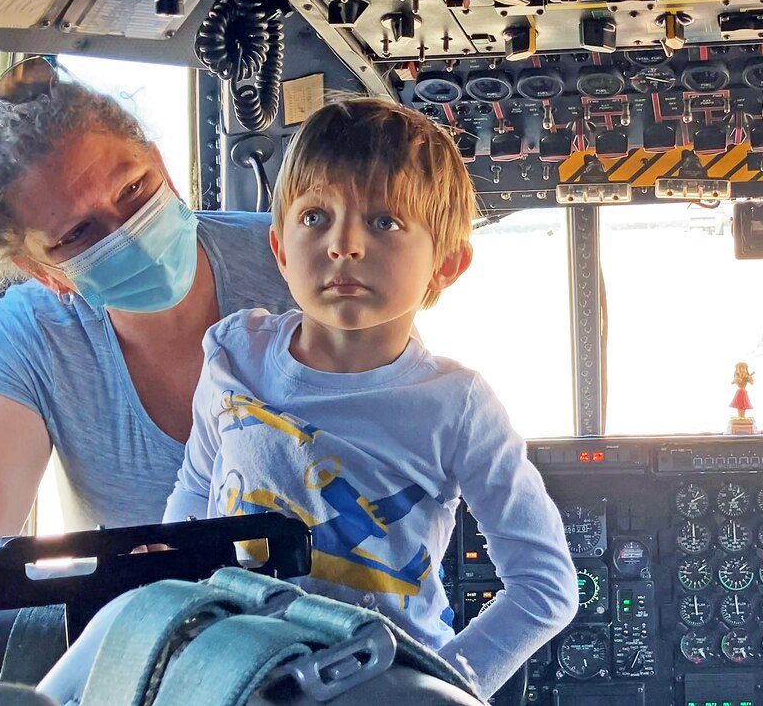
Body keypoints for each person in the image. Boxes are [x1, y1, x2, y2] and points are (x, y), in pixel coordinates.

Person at [0, 57, 293, 677]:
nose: (130, 232)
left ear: (166, 171)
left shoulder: (297, 261)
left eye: (133, 188)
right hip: (157, 653)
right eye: (78, 233)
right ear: (47, 272)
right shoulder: (35, 333)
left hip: (332, 619)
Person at [163, 98, 579, 698]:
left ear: (447, 264)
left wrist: (440, 688)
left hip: (379, 686)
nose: (343, 245)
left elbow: (545, 585)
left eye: (384, 222)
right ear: (279, 249)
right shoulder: (232, 354)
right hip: (236, 675)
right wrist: (179, 622)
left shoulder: (457, 406)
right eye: (314, 218)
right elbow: (195, 492)